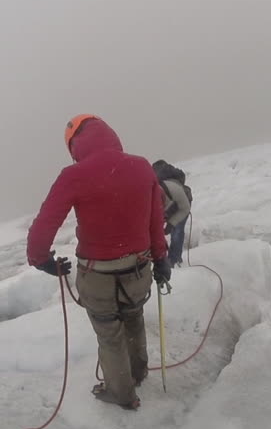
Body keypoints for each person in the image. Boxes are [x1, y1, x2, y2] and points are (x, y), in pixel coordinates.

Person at [26, 114, 171, 410]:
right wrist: (162, 259)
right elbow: (156, 220)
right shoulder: (142, 167)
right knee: (133, 319)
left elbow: (44, 225)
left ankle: (122, 394)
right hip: (139, 269)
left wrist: (41, 259)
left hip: (98, 275)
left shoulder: (74, 175)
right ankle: (138, 372)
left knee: (109, 334)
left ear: (75, 144)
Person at [152, 160, 192, 267]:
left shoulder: (175, 190)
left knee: (177, 232)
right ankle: (162, 259)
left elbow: (185, 209)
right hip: (168, 206)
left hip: (182, 204)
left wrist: (171, 223)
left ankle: (174, 260)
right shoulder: (150, 195)